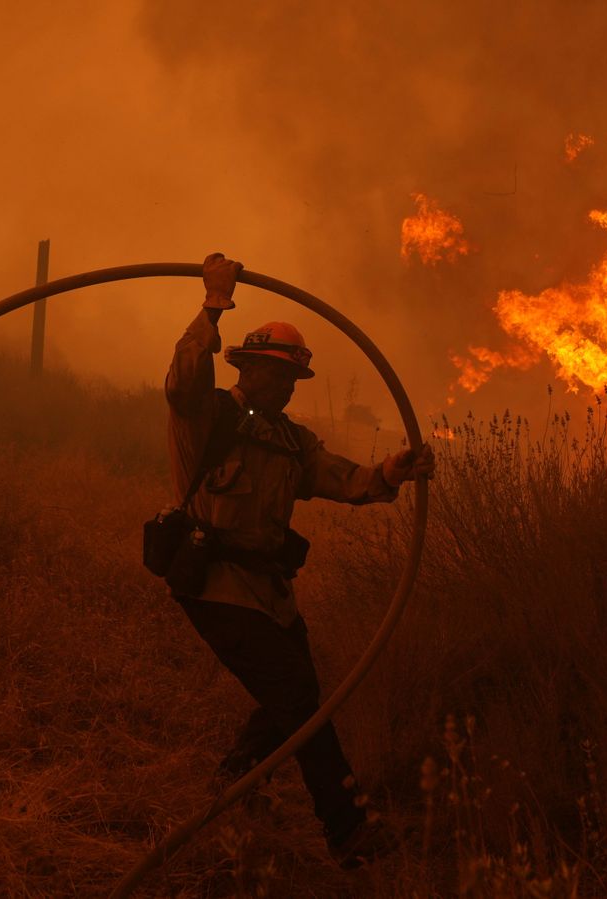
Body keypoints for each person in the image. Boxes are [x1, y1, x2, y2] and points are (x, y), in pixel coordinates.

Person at [164, 252, 434, 869]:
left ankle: (229, 784)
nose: (289, 388)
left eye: (294, 380)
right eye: (281, 376)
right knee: (298, 701)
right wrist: (214, 304)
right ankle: (349, 830)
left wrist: (396, 468)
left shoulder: (291, 441)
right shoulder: (206, 417)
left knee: (292, 694)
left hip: (271, 593)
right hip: (214, 585)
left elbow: (352, 480)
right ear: (251, 369)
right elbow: (183, 375)